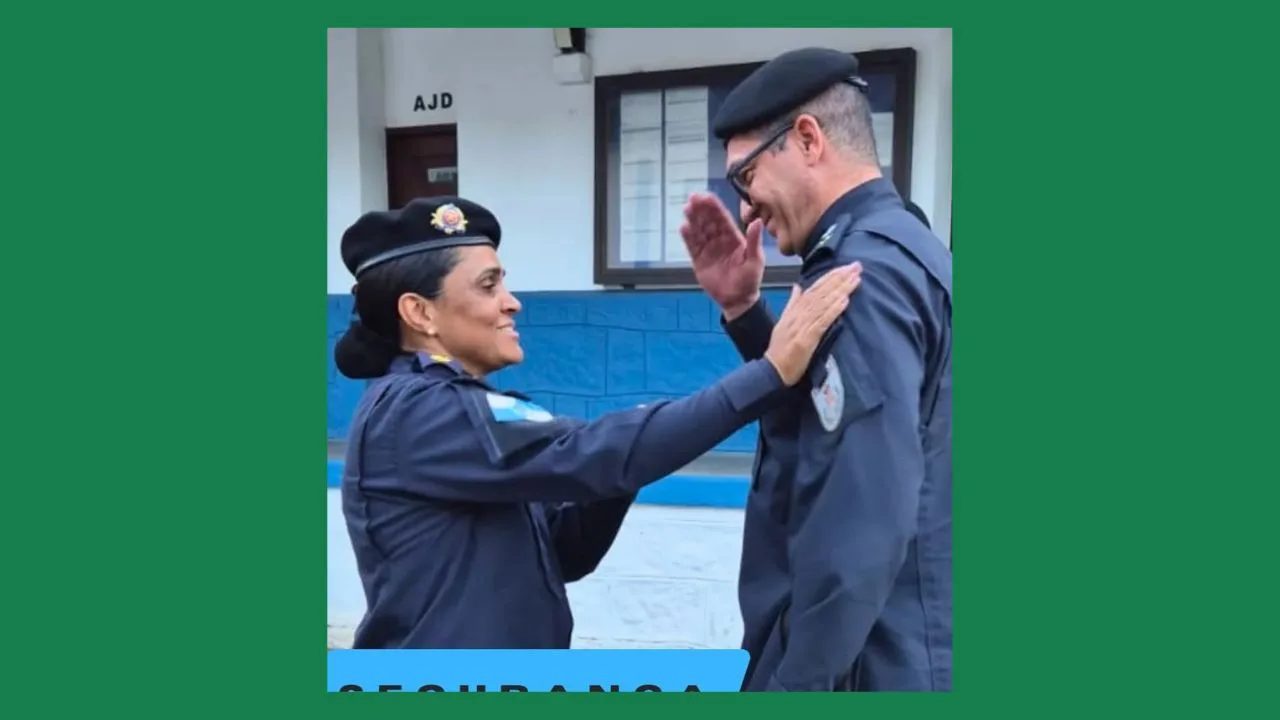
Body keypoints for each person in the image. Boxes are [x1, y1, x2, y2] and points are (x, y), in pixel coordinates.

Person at [333, 195, 862, 650]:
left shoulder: (452, 412)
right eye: (488, 286)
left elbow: (564, 552)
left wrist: (629, 461)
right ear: (420, 313)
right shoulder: (417, 411)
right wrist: (770, 373)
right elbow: (594, 454)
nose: (511, 303)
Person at [680, 47, 953, 691]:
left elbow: (861, 523)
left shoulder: (862, 278)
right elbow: (822, 413)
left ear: (807, 139)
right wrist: (747, 314)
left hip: (868, 665)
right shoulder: (901, 244)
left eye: (745, 178)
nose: (744, 209)